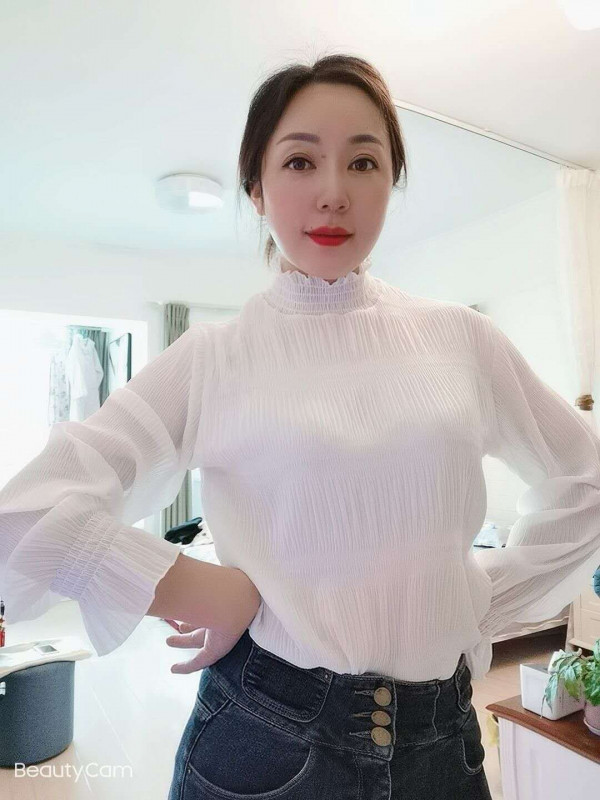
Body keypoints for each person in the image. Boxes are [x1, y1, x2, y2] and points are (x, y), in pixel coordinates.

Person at [2, 54, 600, 800]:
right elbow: (25, 511)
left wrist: (481, 597)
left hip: (442, 745)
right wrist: (197, 587)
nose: (333, 192)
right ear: (255, 187)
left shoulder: (462, 339)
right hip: (265, 740)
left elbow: (586, 480)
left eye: (363, 162)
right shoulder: (214, 358)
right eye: (299, 161)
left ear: (391, 179)